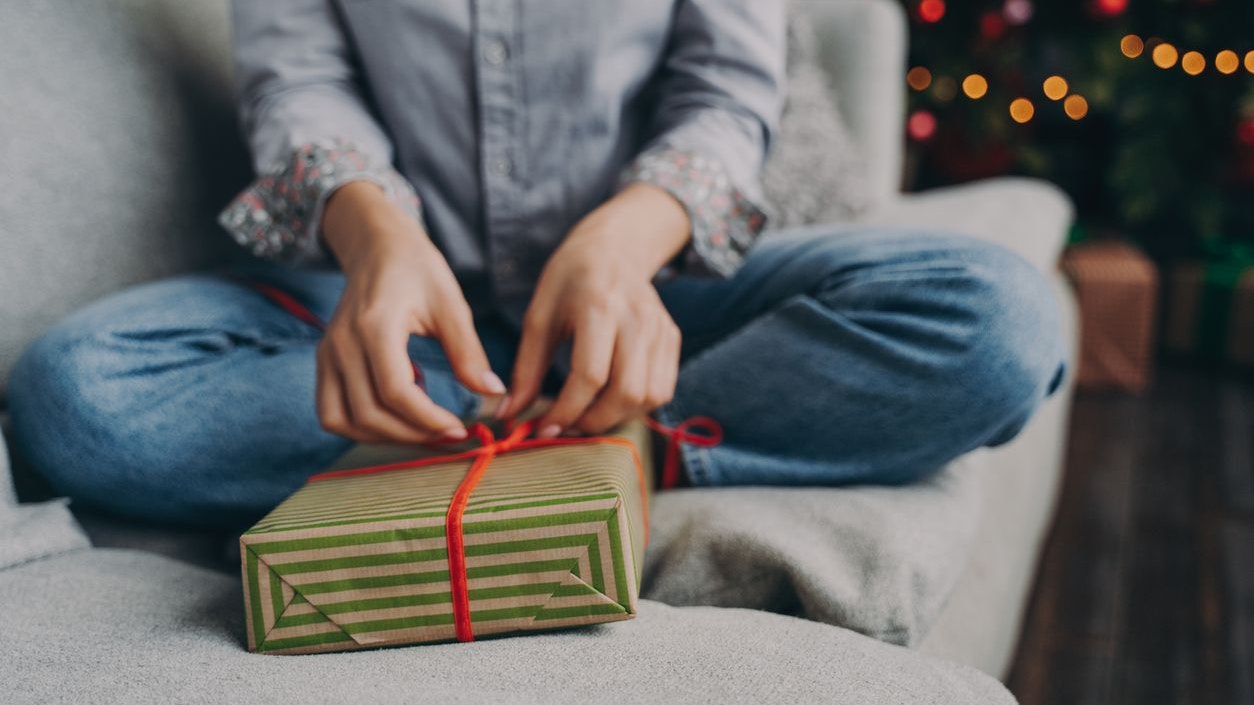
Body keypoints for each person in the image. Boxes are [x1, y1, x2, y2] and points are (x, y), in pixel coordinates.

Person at [9, 0, 1066, 530]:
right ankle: (549, 449)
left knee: (999, 321)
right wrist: (374, 235)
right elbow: (299, 85)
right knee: (79, 398)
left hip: (667, 300)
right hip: (400, 322)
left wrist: (626, 239)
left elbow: (727, 93)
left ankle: (605, 441)